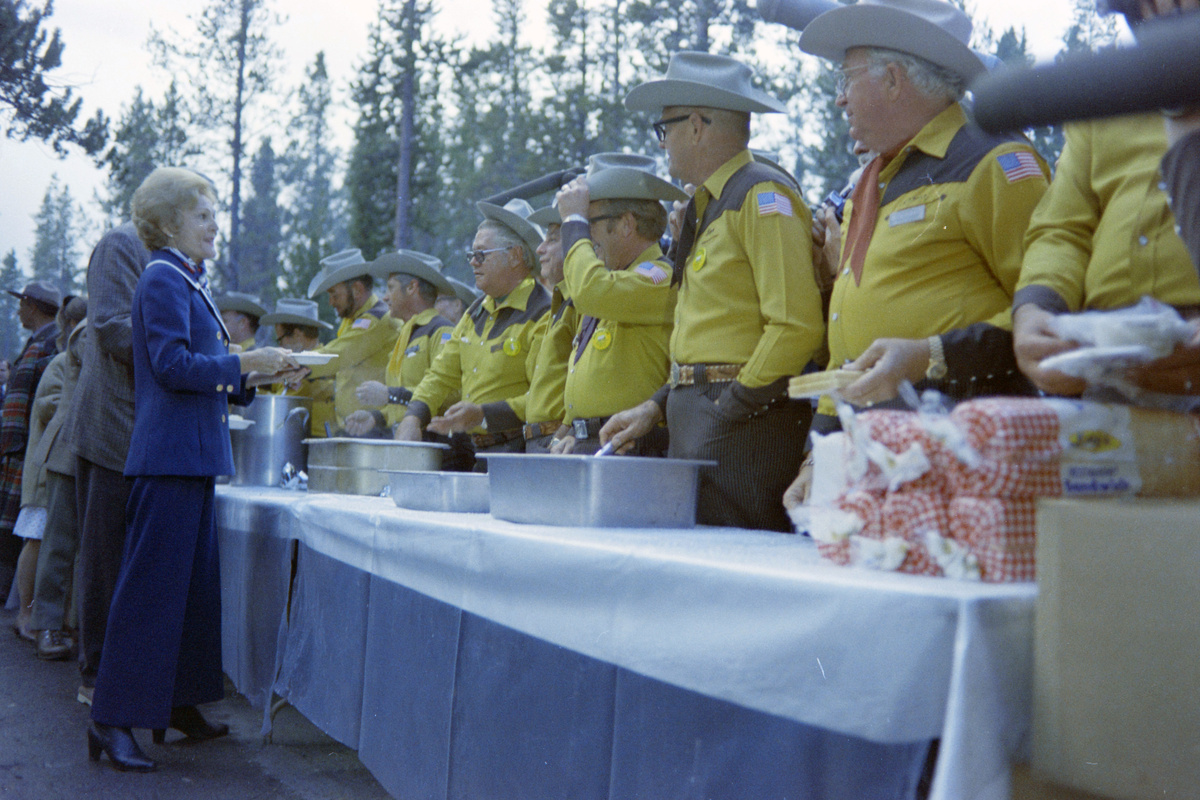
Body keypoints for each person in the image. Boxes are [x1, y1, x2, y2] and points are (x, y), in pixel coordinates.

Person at [87, 167, 297, 773]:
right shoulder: (161, 277)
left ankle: (176, 704)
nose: (214, 225)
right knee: (150, 594)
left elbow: (201, 368)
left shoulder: (186, 278)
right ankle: (110, 718)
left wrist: (261, 374)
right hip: (169, 457)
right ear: (169, 221)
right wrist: (245, 361)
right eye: (202, 214)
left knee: (190, 593)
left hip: (193, 456)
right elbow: (172, 366)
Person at [600, 52, 825, 531]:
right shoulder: (711, 204)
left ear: (697, 126)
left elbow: (795, 326)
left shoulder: (761, 194)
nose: (663, 143)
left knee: (738, 559)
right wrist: (657, 405)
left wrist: (731, 409)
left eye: (665, 129)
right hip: (708, 415)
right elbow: (706, 333)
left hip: (746, 424)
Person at [796, 0, 1049, 414]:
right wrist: (824, 432)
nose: (840, 99)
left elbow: (1049, 312)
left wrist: (931, 354)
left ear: (893, 79)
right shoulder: (874, 178)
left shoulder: (994, 163)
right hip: (865, 427)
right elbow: (851, 324)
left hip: (960, 431)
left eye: (846, 79)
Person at [396, 199, 550, 464]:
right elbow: (441, 374)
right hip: (478, 450)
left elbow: (544, 398)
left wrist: (482, 414)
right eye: (471, 255)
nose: (473, 263)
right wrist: (413, 416)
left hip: (523, 454)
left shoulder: (543, 311)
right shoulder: (475, 312)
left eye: (481, 254)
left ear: (515, 255)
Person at [65, 223, 150, 706]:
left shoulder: (175, 256)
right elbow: (114, 328)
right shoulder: (122, 245)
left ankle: (129, 677)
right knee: (103, 560)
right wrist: (185, 353)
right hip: (111, 430)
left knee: (130, 563)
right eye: (199, 213)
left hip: (146, 434)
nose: (210, 226)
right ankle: (96, 677)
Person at [549, 153, 684, 455]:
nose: (587, 236)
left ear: (626, 224)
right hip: (599, 441)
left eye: (590, 223)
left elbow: (590, 291)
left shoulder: (660, 277)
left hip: (632, 443)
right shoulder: (613, 280)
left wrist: (573, 221)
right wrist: (572, 430)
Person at [20, 297, 87, 660]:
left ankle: (65, 623)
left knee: (72, 547)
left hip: (92, 450)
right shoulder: (82, 340)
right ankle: (43, 622)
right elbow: (49, 405)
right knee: (55, 543)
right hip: (65, 451)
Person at [344, 250, 456, 438]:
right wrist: (376, 417)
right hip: (411, 441)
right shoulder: (407, 334)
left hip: (439, 445)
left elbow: (449, 395)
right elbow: (405, 405)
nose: (385, 297)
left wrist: (390, 394)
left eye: (390, 288)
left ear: (412, 287)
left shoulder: (441, 331)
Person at [0, 280, 61, 605]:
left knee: (18, 528)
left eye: (21, 304)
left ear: (32, 306)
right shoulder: (36, 342)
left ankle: (16, 603)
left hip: (28, 450)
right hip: (16, 449)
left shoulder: (51, 344)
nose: (19, 310)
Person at [299, 249, 401, 436]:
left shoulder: (376, 320)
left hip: (373, 428)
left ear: (357, 290)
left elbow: (336, 356)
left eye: (334, 294)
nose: (330, 302)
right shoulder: (354, 319)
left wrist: (291, 362)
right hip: (357, 426)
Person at [520, 202, 575, 453]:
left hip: (558, 438)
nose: (539, 249)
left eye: (552, 239)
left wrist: (565, 432)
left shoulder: (582, 304)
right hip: (542, 439)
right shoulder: (558, 304)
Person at [260, 298, 331, 353]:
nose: (279, 346)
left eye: (280, 340)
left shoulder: (307, 365)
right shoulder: (327, 358)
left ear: (297, 335)